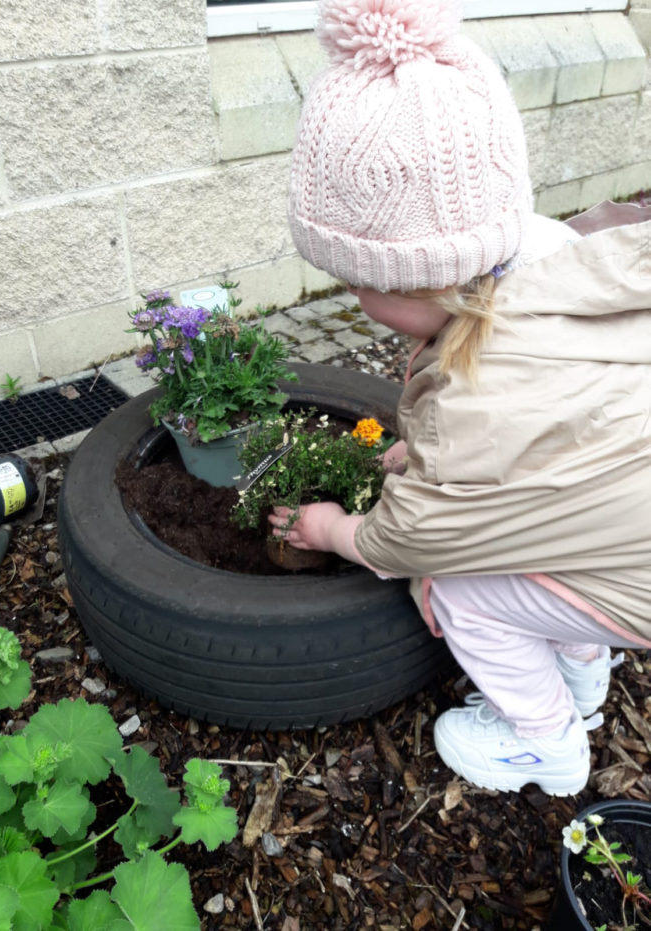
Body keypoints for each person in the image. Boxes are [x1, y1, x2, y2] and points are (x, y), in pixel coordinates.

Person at [269, 0, 651, 796]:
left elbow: (414, 538)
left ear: (400, 284)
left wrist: (336, 527)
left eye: (353, 280)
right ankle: (581, 687)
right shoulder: (558, 254)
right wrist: (429, 457)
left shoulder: (478, 395)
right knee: (541, 540)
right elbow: (546, 463)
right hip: (618, 538)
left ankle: (545, 745)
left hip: (630, 584)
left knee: (458, 587)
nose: (350, 293)